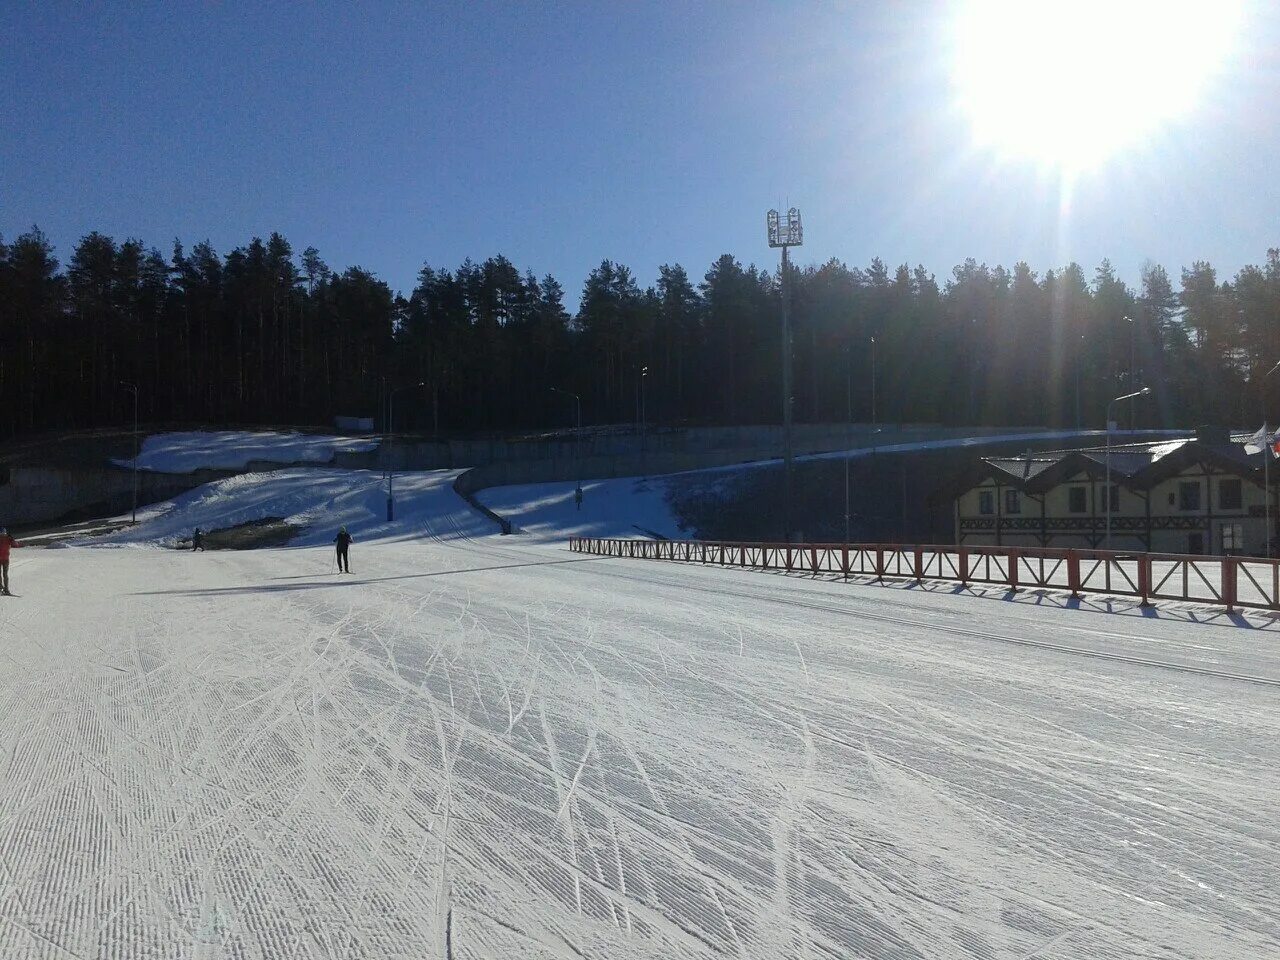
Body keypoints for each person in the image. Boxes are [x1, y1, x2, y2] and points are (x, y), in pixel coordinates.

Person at [0, 527, 21, 596]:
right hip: (3, 559)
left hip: (6, 559)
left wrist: (13, 540)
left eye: (3, 534)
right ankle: (1, 588)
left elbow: (15, 545)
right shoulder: (7, 538)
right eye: (1, 534)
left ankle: (6, 589)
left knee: (5, 574)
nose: (2, 535)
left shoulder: (9, 538)